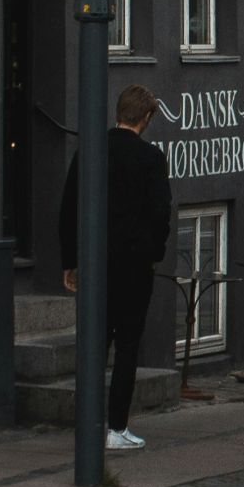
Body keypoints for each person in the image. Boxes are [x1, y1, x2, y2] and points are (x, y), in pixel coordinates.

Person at [59, 85, 172, 452]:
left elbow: (69, 208)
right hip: (134, 265)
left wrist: (70, 260)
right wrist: (154, 252)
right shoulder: (150, 158)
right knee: (127, 346)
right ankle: (117, 426)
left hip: (96, 262)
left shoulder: (91, 152)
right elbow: (160, 213)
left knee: (95, 342)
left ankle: (88, 421)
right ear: (146, 117)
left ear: (119, 113)